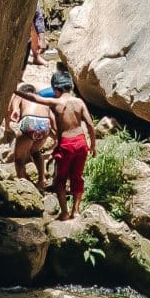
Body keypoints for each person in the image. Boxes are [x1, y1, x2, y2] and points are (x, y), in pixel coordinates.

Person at [49, 68, 95, 220]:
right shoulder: (79, 102)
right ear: (71, 87)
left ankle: (64, 213)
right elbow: (90, 125)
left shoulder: (56, 103)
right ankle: (76, 210)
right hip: (81, 143)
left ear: (56, 89)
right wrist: (93, 145)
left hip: (66, 144)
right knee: (77, 177)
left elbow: (54, 128)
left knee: (60, 179)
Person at [7, 81, 53, 189]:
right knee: (35, 151)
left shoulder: (21, 95)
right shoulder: (42, 100)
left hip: (30, 121)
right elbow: (51, 118)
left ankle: (23, 184)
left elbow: (13, 108)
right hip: (44, 124)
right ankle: (42, 180)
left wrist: (14, 111)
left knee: (19, 159)